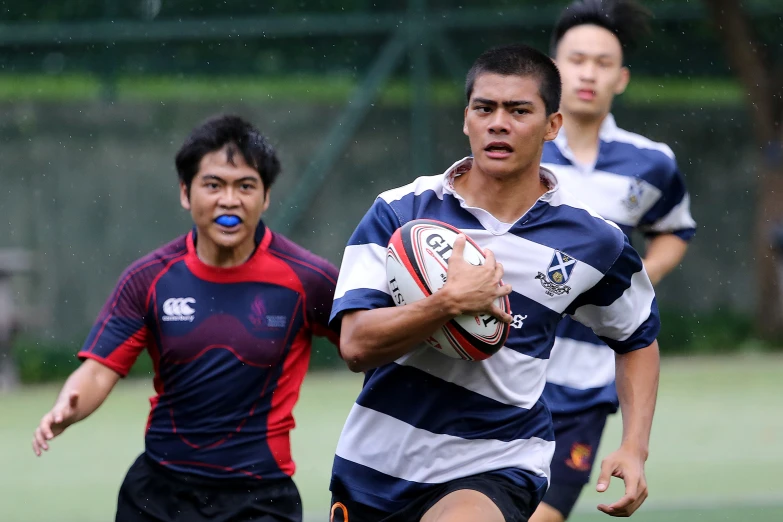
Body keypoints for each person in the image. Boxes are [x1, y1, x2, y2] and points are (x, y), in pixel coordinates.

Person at [327, 43, 661, 522]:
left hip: (498, 461)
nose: (498, 122)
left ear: (552, 126)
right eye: (485, 108)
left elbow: (637, 336)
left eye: (519, 110)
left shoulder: (593, 241)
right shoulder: (399, 212)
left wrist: (634, 447)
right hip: (376, 467)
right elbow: (356, 346)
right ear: (467, 118)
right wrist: (447, 303)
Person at [31, 114, 340, 522]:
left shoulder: (308, 279)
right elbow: (97, 370)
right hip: (158, 495)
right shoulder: (149, 279)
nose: (229, 200)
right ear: (185, 192)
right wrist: (67, 407)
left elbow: (365, 342)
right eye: (213, 185)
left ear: (265, 197)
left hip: (260, 498)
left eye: (245, 186)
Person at [531, 2, 697, 521]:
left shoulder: (651, 162)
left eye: (603, 63)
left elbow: (674, 230)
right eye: (576, 59)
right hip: (509, 370)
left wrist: (636, 283)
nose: (588, 72)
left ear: (621, 78)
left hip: (588, 380)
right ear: (551, 69)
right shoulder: (516, 152)